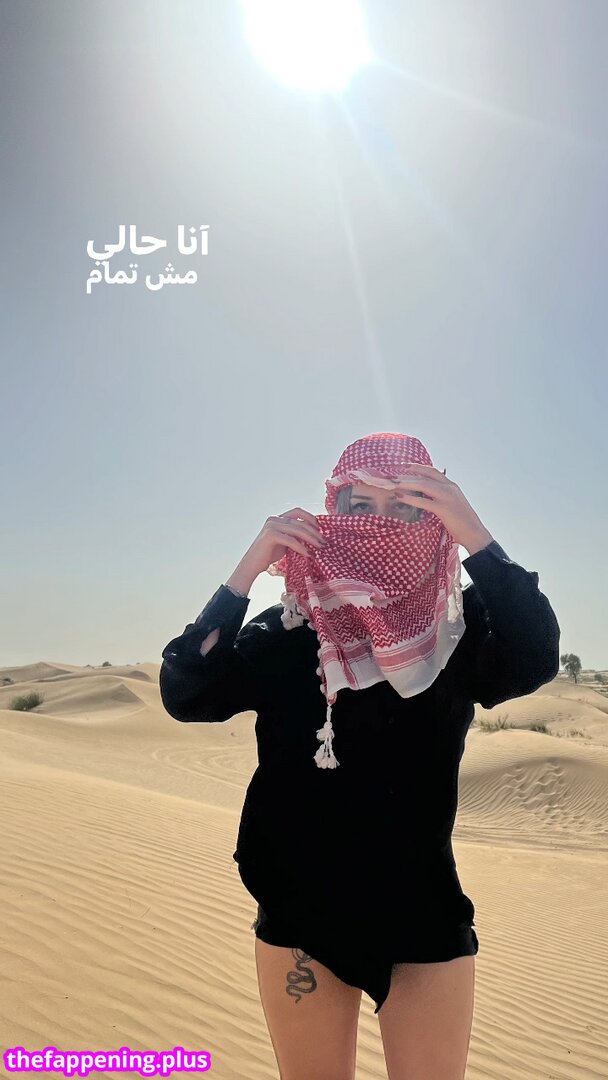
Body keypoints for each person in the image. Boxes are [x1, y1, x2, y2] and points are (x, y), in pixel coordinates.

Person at [159, 432, 560, 1080]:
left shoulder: (455, 635)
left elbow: (535, 655)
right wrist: (246, 570)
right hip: (301, 919)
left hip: (422, 913)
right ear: (332, 510)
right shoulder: (292, 630)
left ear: (435, 516)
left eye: (405, 506)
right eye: (359, 504)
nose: (378, 523)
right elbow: (187, 693)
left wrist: (475, 536)